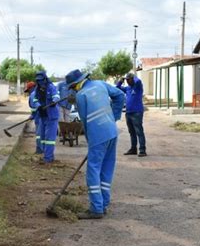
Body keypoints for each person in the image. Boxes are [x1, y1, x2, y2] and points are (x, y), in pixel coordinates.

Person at [65, 69, 125, 219]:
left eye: (72, 87)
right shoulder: (101, 84)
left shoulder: (81, 95)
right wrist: (115, 116)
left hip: (98, 136)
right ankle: (104, 203)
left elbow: (85, 122)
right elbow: (120, 95)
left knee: (93, 170)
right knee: (107, 168)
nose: (73, 90)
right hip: (112, 132)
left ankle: (96, 208)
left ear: (77, 84)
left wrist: (91, 142)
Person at [31, 71, 60, 163]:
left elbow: (56, 96)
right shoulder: (37, 89)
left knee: (49, 139)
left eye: (41, 80)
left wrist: (53, 101)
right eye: (38, 81)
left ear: (45, 79)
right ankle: (46, 155)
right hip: (42, 116)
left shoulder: (51, 87)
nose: (40, 83)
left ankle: (48, 158)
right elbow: (35, 100)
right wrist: (38, 105)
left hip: (51, 116)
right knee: (43, 137)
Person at [116, 73, 146, 157]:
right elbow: (117, 88)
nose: (127, 81)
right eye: (127, 80)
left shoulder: (138, 87)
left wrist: (133, 76)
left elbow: (138, 80)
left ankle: (142, 150)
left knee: (139, 131)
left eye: (129, 79)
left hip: (137, 112)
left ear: (133, 79)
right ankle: (133, 149)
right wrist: (120, 81)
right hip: (128, 113)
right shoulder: (127, 88)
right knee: (131, 132)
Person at [26, 81, 43, 154]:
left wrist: (32, 115)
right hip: (43, 116)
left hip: (38, 117)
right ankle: (43, 149)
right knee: (43, 134)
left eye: (29, 89)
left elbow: (34, 108)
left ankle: (39, 150)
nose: (28, 92)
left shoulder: (33, 95)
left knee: (39, 134)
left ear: (32, 88)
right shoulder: (40, 92)